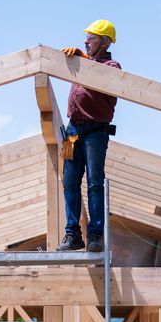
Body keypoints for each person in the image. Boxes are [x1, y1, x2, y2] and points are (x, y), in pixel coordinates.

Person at [56, 19, 121, 253]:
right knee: (69, 180)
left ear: (104, 43)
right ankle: (72, 234)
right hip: (73, 130)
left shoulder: (112, 66)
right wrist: (79, 59)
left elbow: (104, 77)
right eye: (87, 38)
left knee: (95, 182)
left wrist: (83, 59)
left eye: (91, 38)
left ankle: (95, 236)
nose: (86, 41)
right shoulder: (83, 62)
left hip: (96, 131)